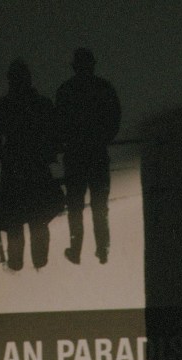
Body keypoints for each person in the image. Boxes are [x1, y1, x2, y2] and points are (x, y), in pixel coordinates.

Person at [0, 61, 61, 273]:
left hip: (13, 171)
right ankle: (40, 263)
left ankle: (16, 263)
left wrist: (4, 154)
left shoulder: (2, 106)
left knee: (14, 222)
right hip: (37, 169)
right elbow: (55, 135)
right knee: (39, 220)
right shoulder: (42, 104)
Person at [56, 49, 121, 265]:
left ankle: (76, 249)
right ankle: (102, 248)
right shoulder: (104, 88)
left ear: (74, 66)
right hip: (97, 154)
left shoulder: (65, 91)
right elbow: (114, 118)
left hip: (75, 156)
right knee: (100, 206)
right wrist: (103, 138)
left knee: (75, 206)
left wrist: (68, 142)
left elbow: (59, 124)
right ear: (92, 65)